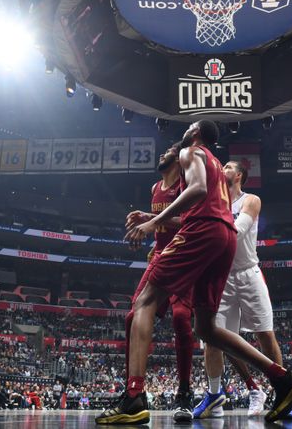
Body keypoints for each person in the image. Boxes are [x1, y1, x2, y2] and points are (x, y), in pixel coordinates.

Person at [98, 120, 292, 425]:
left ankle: (133, 396)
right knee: (206, 329)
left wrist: (151, 223)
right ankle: (284, 378)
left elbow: (196, 192)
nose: (183, 131)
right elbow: (205, 205)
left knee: (144, 302)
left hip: (202, 233)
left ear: (196, 133)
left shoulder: (190, 151)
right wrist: (154, 216)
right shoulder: (215, 164)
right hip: (223, 239)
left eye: (189, 127)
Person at [193, 161, 292, 420]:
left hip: (249, 273)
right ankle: (215, 395)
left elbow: (235, 234)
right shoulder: (212, 201)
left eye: (227, 166)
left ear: (239, 175)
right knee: (213, 339)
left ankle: (283, 393)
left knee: (265, 336)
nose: (222, 169)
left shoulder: (251, 200)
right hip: (222, 276)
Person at [124, 142, 195, 422]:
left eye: (168, 152)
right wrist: (143, 222)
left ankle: (184, 393)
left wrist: (152, 220)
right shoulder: (155, 188)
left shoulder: (186, 185)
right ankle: (132, 391)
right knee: (132, 317)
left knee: (180, 319)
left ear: (178, 159)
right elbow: (160, 225)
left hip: (184, 257)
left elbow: (190, 223)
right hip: (159, 256)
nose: (162, 153)